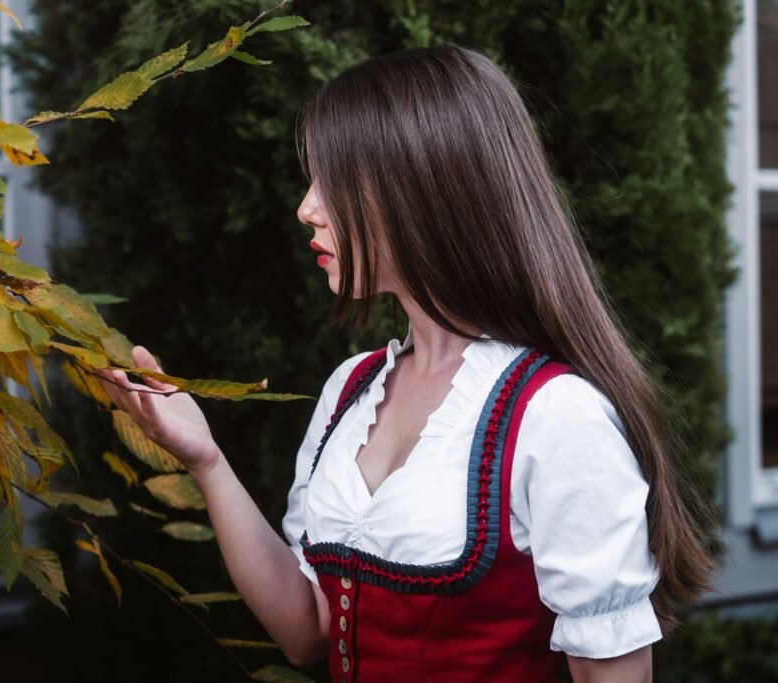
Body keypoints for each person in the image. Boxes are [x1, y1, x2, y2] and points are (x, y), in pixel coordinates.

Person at [94, 45, 715, 682]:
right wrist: (207, 460)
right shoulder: (351, 389)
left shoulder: (557, 417)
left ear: (421, 190)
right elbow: (306, 632)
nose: (307, 208)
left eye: (333, 181)